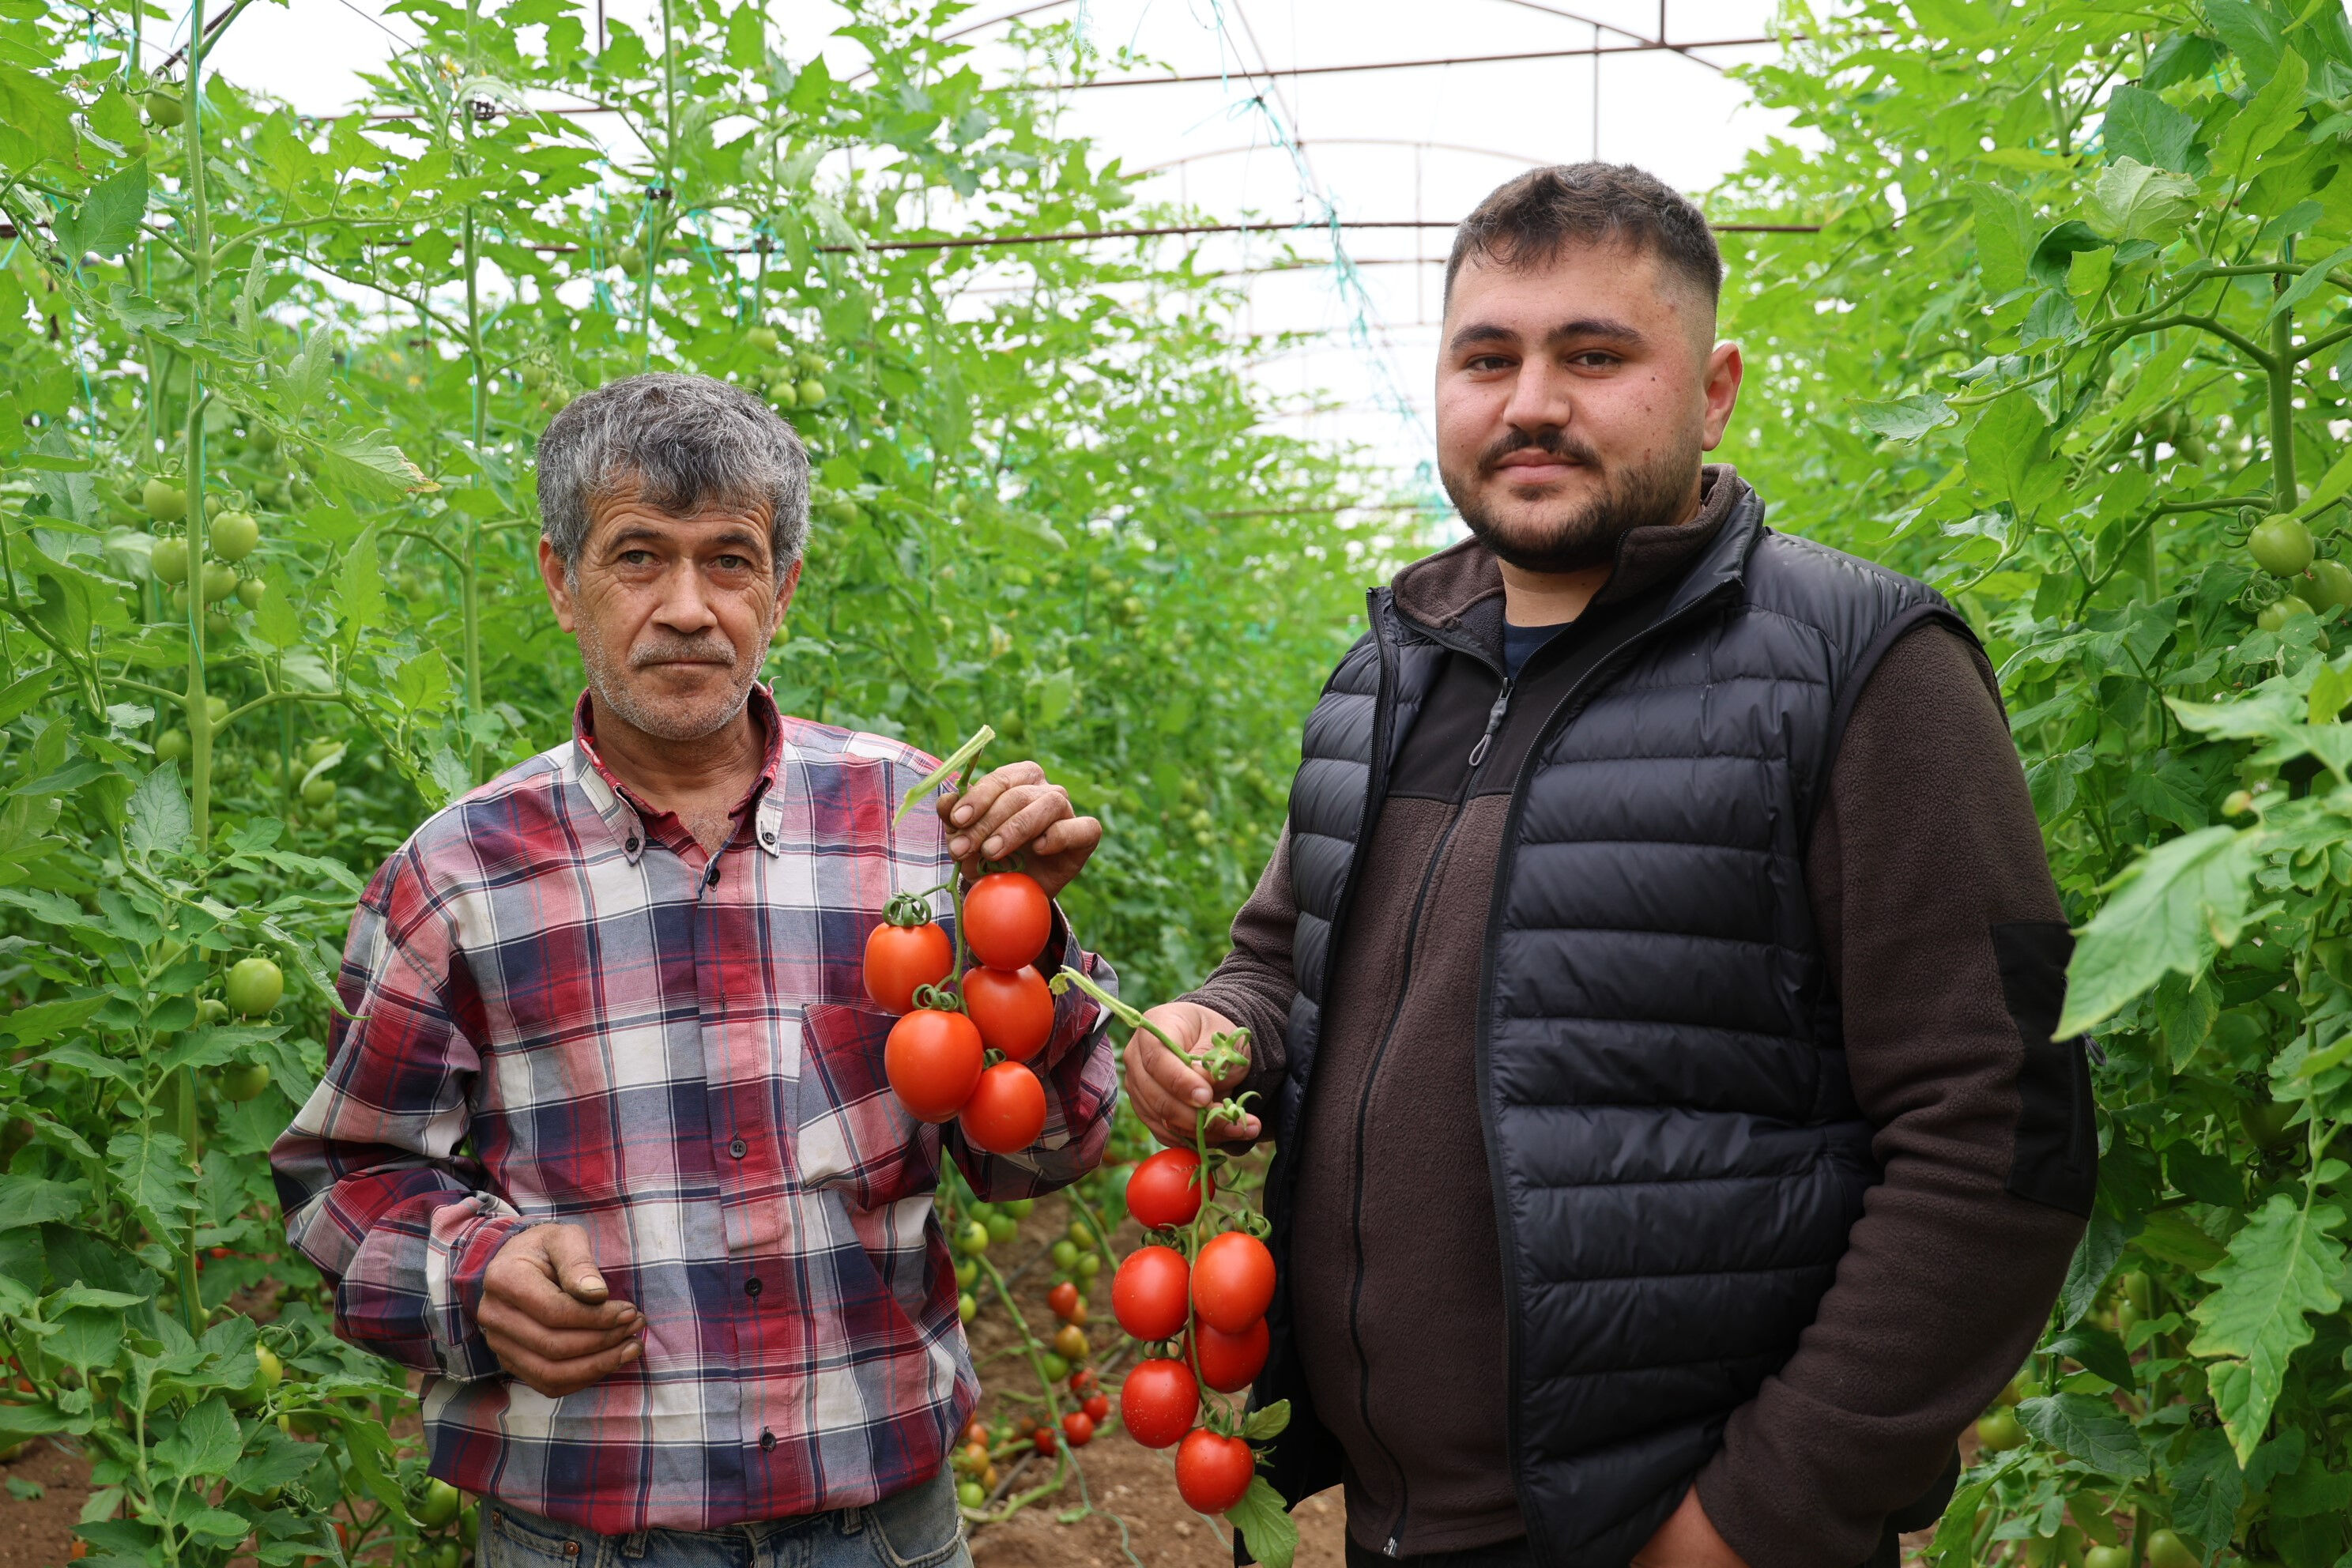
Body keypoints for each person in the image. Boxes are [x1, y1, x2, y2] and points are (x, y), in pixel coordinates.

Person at [1123, 164, 2093, 1568]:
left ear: (1713, 391)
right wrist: (1219, 1027)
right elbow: (1280, 959)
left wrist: (1749, 1520)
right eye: (1488, 356)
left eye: (1594, 354)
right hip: (1401, 1529)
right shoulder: (1386, 674)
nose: (1530, 402)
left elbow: (2004, 1128)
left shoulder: (1860, 666)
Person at [273, 372, 1117, 1567]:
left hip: (880, 1530)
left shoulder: (924, 830)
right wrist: (474, 1274)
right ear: (561, 582)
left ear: (783, 588)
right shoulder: (458, 875)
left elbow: (1042, 1158)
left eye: (730, 560)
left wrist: (1030, 948)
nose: (687, 607)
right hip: (580, 1533)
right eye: (636, 558)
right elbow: (342, 1177)